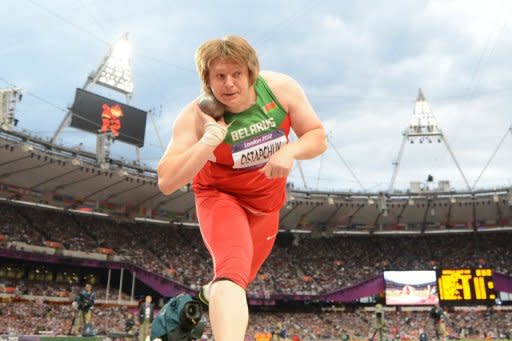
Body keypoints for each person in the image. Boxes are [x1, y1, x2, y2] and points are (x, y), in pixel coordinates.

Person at [157, 35, 327, 341]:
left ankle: (192, 306)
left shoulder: (280, 90)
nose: (229, 84)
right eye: (219, 76)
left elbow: (316, 136)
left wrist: (290, 151)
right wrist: (209, 140)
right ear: (207, 81)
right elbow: (167, 181)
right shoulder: (195, 118)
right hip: (221, 198)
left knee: (235, 284)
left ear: (252, 73)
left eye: (236, 74)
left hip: (266, 208)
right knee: (232, 271)